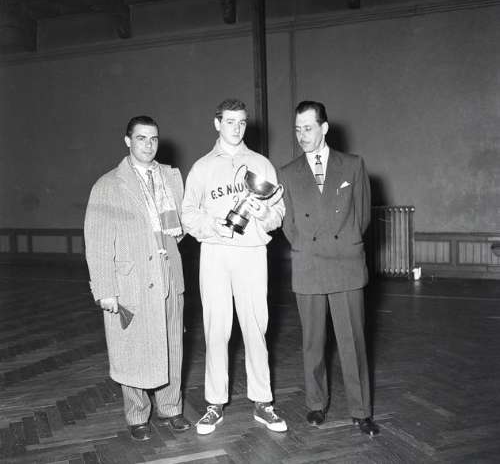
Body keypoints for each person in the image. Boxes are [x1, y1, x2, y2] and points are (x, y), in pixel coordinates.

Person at [182, 98, 287, 435]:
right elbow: (187, 214)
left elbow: (278, 214)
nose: (236, 128)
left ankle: (263, 402)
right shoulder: (201, 167)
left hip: (252, 252)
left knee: (256, 326)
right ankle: (214, 404)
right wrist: (213, 226)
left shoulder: (261, 164)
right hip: (215, 253)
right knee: (216, 329)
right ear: (217, 124)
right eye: (230, 121)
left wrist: (264, 214)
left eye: (242, 122)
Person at [84, 115, 191, 441]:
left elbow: (179, 230)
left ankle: (171, 408)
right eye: (141, 138)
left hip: (168, 274)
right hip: (132, 281)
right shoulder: (108, 185)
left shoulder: (170, 178)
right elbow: (98, 243)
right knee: (132, 348)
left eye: (154, 138)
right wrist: (106, 289)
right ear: (128, 141)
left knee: (172, 344)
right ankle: (137, 415)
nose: (148, 144)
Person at [279, 101, 379, 436]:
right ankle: (316, 404)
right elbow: (289, 224)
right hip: (308, 264)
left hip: (345, 264)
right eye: (297, 129)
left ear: (324, 128)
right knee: (313, 342)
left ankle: (361, 411)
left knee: (353, 342)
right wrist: (306, 246)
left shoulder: (352, 165)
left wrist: (344, 245)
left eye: (308, 128)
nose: (302, 135)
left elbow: (362, 216)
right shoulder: (287, 172)